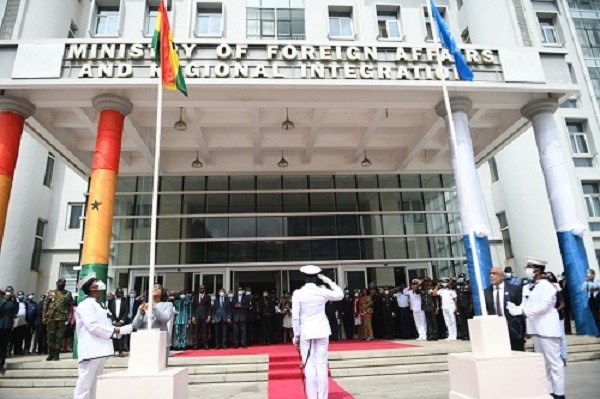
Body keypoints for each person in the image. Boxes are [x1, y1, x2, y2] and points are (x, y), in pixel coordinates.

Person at [507, 258, 565, 399]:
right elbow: (525, 304)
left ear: (537, 270)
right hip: (536, 329)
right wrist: (516, 308)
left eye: (529, 267)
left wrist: (524, 312)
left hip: (547, 328)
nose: (527, 270)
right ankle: (549, 391)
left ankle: (559, 393)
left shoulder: (548, 286)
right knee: (543, 363)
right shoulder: (528, 287)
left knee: (554, 363)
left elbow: (544, 306)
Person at [73, 274, 132, 399]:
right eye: (96, 282)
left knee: (95, 384)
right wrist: (117, 330)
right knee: (85, 384)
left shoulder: (99, 304)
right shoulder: (85, 305)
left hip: (100, 349)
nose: (100, 283)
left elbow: (105, 324)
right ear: (92, 288)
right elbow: (93, 327)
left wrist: (117, 332)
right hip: (90, 349)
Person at [292, 265, 343, 399]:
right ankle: (323, 397)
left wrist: (296, 335)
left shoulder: (298, 293)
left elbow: (295, 317)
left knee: (309, 366)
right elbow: (340, 295)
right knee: (321, 365)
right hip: (321, 330)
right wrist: (328, 281)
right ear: (316, 278)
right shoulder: (322, 291)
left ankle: (312, 397)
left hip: (306, 332)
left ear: (304, 278)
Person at [484, 267, 525, 351]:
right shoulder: (487, 292)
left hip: (514, 329)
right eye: (490, 274)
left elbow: (522, 309)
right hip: (496, 330)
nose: (491, 276)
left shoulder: (515, 289)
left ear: (502, 276)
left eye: (495, 274)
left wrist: (525, 330)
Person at [132, 284, 174, 362]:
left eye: (158, 288)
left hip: (161, 341)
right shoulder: (143, 305)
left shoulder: (167, 305)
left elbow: (165, 318)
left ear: (162, 292)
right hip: (145, 340)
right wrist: (140, 313)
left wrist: (154, 308)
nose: (155, 289)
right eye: (153, 287)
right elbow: (135, 325)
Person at [43, 278, 73, 361]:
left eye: (63, 283)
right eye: (60, 282)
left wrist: (70, 316)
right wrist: (44, 316)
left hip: (62, 318)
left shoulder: (68, 294)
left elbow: (71, 306)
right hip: (51, 318)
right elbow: (45, 305)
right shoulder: (50, 293)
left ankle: (56, 354)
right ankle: (50, 353)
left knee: (59, 336)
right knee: (50, 336)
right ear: (57, 283)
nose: (61, 284)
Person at [107, 288, 128, 357]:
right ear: (115, 293)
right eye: (119, 292)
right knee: (113, 336)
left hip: (122, 321)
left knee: (121, 336)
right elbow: (109, 311)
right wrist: (113, 321)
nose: (120, 294)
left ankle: (120, 351)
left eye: (121, 292)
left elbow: (126, 311)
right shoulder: (111, 301)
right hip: (114, 320)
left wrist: (122, 321)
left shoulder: (125, 300)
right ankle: (112, 351)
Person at [0, 289, 15, 374]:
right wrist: (4, 302)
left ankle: (2, 363)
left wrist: (15, 299)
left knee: (4, 347)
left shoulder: (9, 303)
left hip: (7, 327)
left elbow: (15, 309)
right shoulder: (3, 302)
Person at [192, 284, 211, 350]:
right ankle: (196, 345)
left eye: (203, 288)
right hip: (197, 316)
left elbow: (209, 307)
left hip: (204, 316)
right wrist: (193, 317)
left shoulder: (207, 297)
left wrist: (209, 316)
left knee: (205, 331)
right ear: (199, 289)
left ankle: (206, 344)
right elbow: (193, 308)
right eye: (200, 288)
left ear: (205, 289)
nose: (202, 289)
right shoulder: (195, 297)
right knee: (196, 331)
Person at [581, 269, 600, 337]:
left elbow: (597, 286)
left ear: (594, 274)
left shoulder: (597, 281)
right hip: (591, 300)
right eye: (589, 274)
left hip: (598, 298)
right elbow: (583, 289)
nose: (590, 275)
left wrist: (593, 287)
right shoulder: (587, 282)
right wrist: (586, 281)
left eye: (591, 274)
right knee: (596, 317)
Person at [456, 274, 473, 340]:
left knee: (468, 320)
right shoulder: (457, 286)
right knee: (462, 321)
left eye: (462, 278)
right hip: (460, 306)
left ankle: (469, 335)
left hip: (467, 305)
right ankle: (464, 335)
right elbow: (457, 297)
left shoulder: (467, 286)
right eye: (460, 278)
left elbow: (470, 296)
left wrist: (471, 305)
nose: (461, 279)